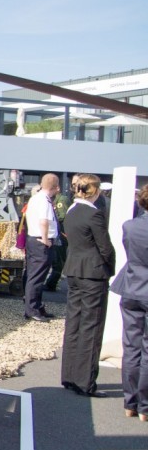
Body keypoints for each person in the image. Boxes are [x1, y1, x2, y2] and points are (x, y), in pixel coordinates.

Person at [60, 173, 116, 398]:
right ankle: (85, 382)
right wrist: (110, 268)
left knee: (74, 322)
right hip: (92, 273)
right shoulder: (94, 215)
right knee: (91, 327)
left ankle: (70, 375)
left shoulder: (71, 212)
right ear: (95, 191)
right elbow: (105, 247)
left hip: (74, 270)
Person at [109, 184, 148, 420]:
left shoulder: (130, 226)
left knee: (131, 347)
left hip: (132, 288)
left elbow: (129, 252)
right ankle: (145, 406)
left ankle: (130, 403)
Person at [23, 174, 60, 322]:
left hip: (33, 239)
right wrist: (45, 239)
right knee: (37, 277)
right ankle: (32, 309)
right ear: (56, 187)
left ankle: (35, 306)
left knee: (33, 274)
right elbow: (44, 221)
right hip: (41, 241)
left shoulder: (35, 198)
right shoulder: (44, 201)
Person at [45, 186, 72, 292]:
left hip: (61, 234)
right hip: (58, 233)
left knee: (59, 260)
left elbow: (62, 216)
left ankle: (52, 283)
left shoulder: (61, 200)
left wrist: (50, 216)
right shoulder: (54, 199)